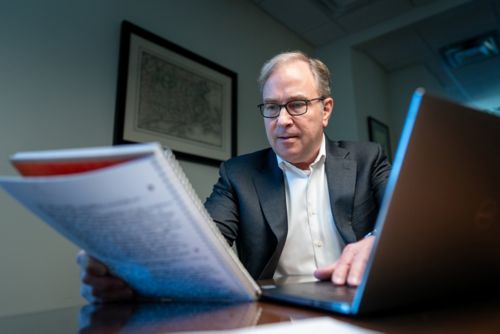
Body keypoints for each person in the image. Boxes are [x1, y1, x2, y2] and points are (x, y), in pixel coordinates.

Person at [78, 51, 391, 303]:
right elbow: (201, 242)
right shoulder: (238, 174)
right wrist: (134, 271)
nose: (281, 121)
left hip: (360, 300)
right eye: (271, 107)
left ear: (325, 110)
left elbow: (407, 217)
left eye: (296, 104)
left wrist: (377, 241)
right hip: (276, 313)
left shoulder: (368, 158)